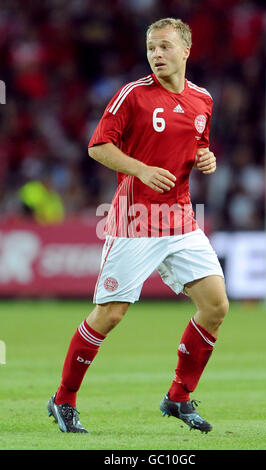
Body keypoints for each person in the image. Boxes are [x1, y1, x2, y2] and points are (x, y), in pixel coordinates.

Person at [47, 17, 229, 434]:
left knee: (216, 306)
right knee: (110, 315)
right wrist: (142, 170)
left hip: (180, 219)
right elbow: (98, 146)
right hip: (135, 219)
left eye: (164, 47)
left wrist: (207, 158)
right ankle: (63, 399)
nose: (156, 55)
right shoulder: (133, 96)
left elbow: (197, 146)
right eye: (151, 48)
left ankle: (178, 398)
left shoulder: (203, 99)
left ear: (186, 50)